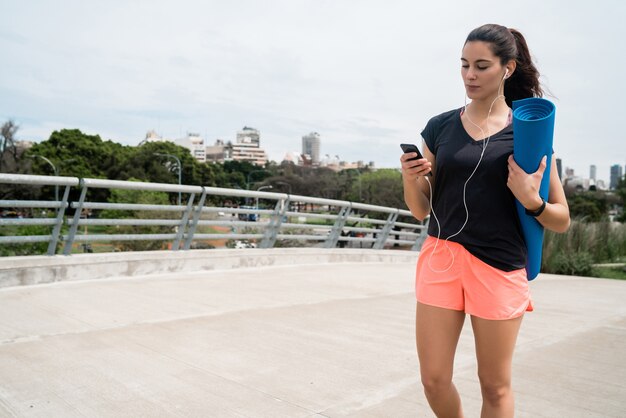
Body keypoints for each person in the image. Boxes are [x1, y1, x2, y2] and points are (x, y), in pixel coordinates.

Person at [400, 24, 570, 417]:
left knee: (494, 387)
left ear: (507, 68)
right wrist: (411, 179)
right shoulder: (440, 126)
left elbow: (561, 219)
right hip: (440, 259)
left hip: (498, 265)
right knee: (433, 379)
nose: (469, 75)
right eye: (463, 66)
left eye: (481, 66)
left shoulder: (528, 136)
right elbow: (420, 209)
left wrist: (533, 201)